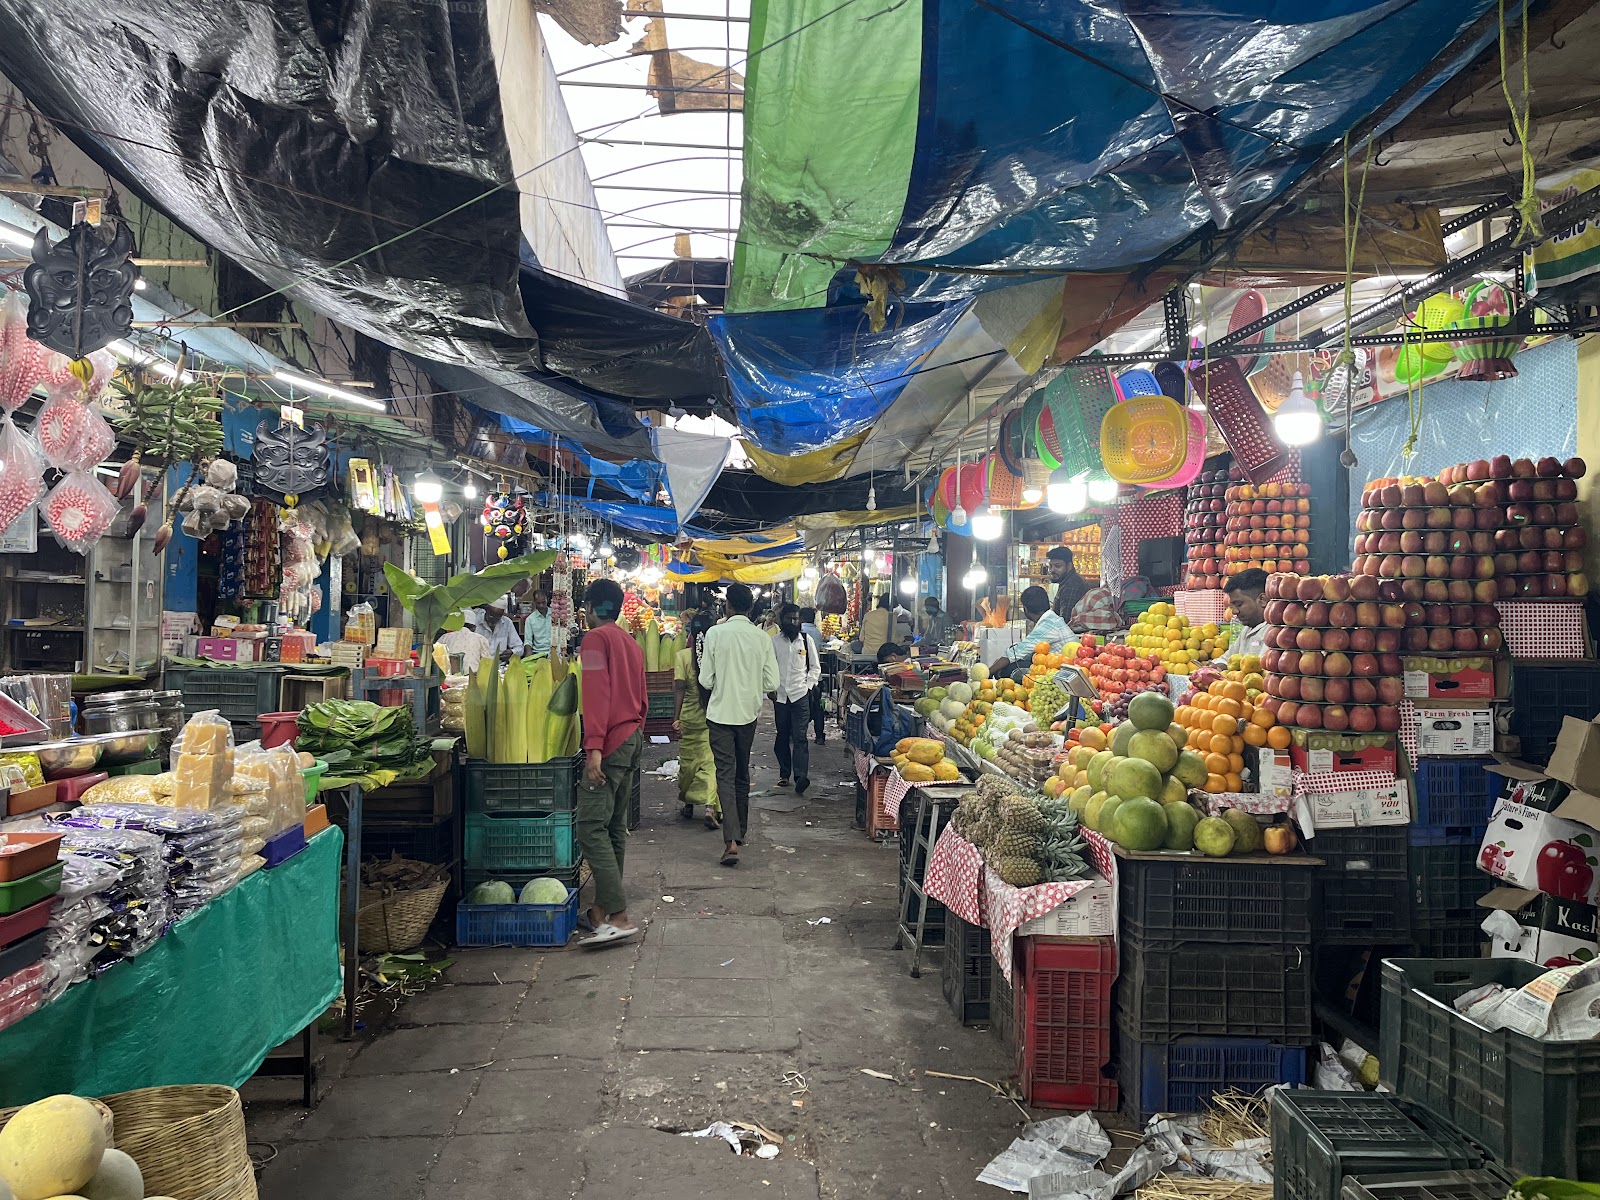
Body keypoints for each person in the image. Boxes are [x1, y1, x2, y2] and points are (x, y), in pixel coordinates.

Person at [575, 578, 647, 947]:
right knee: (614, 827)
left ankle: (617, 914)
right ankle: (602, 911)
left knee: (590, 826)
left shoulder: (594, 640)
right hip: (632, 736)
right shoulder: (631, 644)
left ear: (592, 608)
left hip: (612, 740)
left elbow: (596, 694)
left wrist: (594, 747)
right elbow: (643, 696)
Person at [699, 582, 780, 867]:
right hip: (748, 714)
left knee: (725, 774)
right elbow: (772, 682)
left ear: (728, 606)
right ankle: (740, 831)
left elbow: (706, 680)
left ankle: (731, 839)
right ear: (750, 607)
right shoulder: (762, 638)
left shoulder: (715, 634)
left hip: (720, 714)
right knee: (742, 773)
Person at [672, 610, 721, 830]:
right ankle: (710, 807)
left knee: (688, 763)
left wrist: (676, 718)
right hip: (712, 716)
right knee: (709, 763)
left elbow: (679, 689)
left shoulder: (682, 656)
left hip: (689, 718)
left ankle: (689, 805)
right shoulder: (717, 656)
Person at [772, 604, 821, 794]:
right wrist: (770, 688)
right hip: (781, 696)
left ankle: (801, 776)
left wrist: (808, 687)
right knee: (783, 735)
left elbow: (815, 668)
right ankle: (784, 772)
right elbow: (768, 667)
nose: (793, 622)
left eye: (796, 619)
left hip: (801, 695)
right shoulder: (774, 642)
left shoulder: (806, 641)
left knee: (800, 737)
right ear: (782, 620)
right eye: (790, 619)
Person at [989, 585, 1071, 678]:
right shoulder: (1051, 619)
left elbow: (1016, 652)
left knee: (1011, 669)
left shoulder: (1048, 624)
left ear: (1025, 609)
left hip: (1062, 673)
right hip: (1060, 668)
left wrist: (988, 672)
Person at [1224, 568, 1269, 662]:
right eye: (1232, 606)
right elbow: (1227, 658)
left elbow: (1261, 668)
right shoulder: (1247, 629)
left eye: (1239, 604)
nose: (1234, 611)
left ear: (1262, 600)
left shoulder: (1273, 632)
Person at [800, 606, 827, 744]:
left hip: (802, 677)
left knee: (800, 708)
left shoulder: (801, 633)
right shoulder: (817, 633)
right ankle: (820, 735)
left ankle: (798, 734)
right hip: (817, 677)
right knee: (818, 707)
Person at [437, 609, 492, 673]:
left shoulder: (445, 637)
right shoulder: (481, 639)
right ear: (474, 627)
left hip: (449, 678)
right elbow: (487, 663)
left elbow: (436, 657)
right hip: (472, 678)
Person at [1047, 546, 1090, 621]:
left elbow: (1066, 621)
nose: (1052, 570)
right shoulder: (1067, 581)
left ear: (1069, 566)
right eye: (1050, 566)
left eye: (1058, 566)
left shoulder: (1072, 585)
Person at [478, 596, 524, 661]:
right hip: (480, 667)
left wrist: (512, 652)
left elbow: (520, 648)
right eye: (491, 616)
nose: (494, 620)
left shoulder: (507, 623)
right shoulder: (475, 622)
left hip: (500, 666)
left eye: (497, 618)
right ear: (487, 609)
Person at [859, 594, 894, 662]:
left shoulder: (868, 615)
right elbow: (893, 639)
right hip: (884, 655)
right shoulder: (892, 617)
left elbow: (861, 638)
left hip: (867, 653)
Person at [524, 588, 552, 657]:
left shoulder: (556, 615)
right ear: (534, 602)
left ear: (547, 599)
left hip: (556, 652)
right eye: (538, 603)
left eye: (543, 602)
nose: (541, 605)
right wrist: (528, 654)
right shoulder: (530, 619)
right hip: (538, 653)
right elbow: (528, 641)